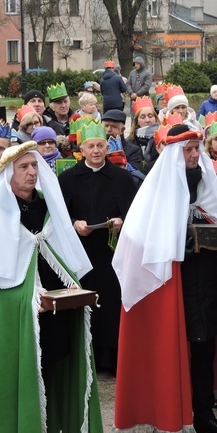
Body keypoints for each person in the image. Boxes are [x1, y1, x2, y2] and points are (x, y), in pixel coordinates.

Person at [0, 142, 105, 433]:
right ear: (8, 173)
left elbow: (56, 255)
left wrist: (70, 286)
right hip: (11, 328)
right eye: (24, 167)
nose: (32, 172)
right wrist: (24, 298)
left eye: (35, 166)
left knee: (48, 374)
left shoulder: (48, 208)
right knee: (13, 389)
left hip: (51, 318)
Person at [114, 124, 217, 433]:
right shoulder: (156, 193)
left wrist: (216, 240)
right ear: (173, 154)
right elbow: (135, 240)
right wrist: (179, 245)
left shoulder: (208, 188)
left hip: (205, 287)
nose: (193, 155)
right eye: (186, 150)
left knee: (203, 349)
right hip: (169, 290)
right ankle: (165, 423)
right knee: (169, 352)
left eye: (196, 149)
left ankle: (203, 414)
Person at [58, 119, 136, 372]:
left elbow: (135, 213)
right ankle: (84, 355)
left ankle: (110, 356)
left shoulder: (122, 178)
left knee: (111, 302)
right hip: (80, 251)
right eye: (90, 146)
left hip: (111, 251)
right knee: (84, 300)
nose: (95, 151)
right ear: (81, 149)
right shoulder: (68, 179)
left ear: (107, 147)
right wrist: (74, 224)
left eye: (100, 145)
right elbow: (58, 215)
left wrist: (121, 220)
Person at [127, 96, 159, 170]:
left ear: (155, 118)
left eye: (150, 116)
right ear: (137, 121)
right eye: (143, 117)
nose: (147, 120)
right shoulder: (129, 142)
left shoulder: (163, 139)